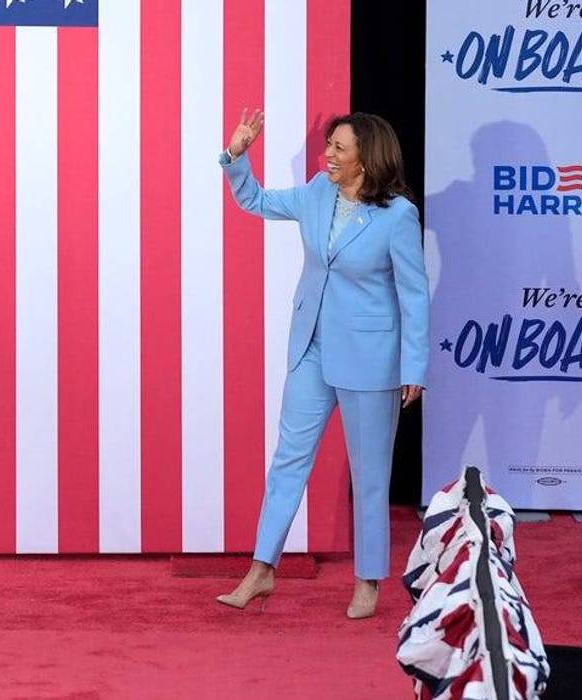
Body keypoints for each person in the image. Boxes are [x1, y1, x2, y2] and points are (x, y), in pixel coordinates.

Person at [214, 111, 429, 619]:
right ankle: (261, 569)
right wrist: (237, 156)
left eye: (338, 148)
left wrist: (414, 368)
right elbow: (256, 202)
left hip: (371, 360)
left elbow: (414, 295)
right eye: (328, 146)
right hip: (311, 347)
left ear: (365, 158)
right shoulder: (316, 193)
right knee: (289, 460)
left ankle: (367, 581)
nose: (327, 155)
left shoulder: (397, 215)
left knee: (370, 474)